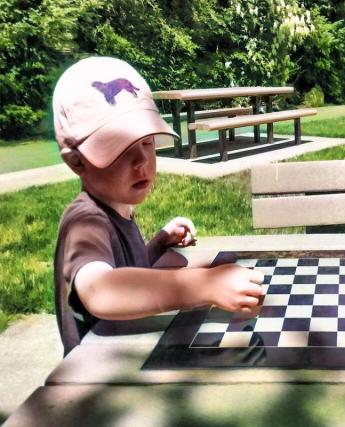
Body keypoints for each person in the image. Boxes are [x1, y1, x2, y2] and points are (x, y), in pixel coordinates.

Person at [52, 57, 264, 356]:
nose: (141, 162)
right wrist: (202, 285)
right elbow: (101, 290)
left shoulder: (114, 208)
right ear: (77, 162)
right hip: (96, 376)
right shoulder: (85, 220)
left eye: (147, 142)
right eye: (120, 149)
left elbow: (126, 271)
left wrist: (159, 241)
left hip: (132, 357)